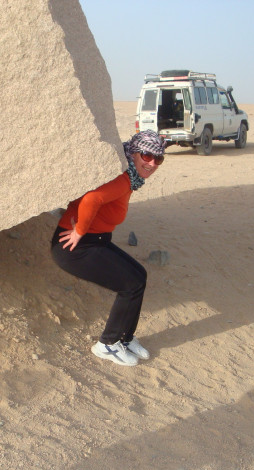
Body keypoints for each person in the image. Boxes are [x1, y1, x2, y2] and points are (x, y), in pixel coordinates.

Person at [50, 130, 166, 366]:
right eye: (147, 156)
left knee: (139, 276)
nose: (152, 163)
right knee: (130, 284)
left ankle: (125, 338)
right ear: (133, 153)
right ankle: (107, 344)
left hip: (97, 240)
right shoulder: (124, 179)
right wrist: (80, 230)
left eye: (158, 158)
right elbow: (92, 199)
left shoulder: (131, 177)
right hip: (75, 247)